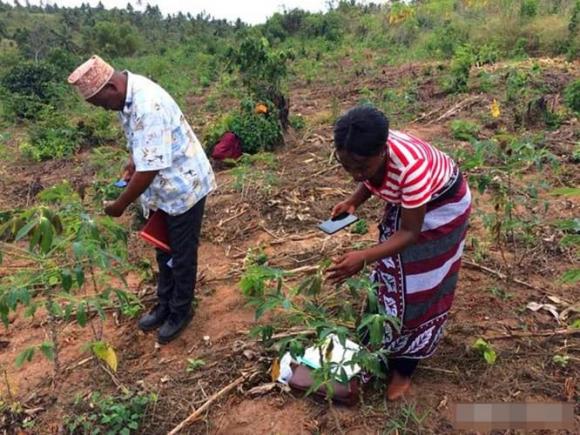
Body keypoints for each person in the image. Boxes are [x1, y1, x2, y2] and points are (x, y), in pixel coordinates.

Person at [68, 55, 216, 344]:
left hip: (183, 188)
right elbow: (145, 150)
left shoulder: (148, 105)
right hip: (162, 192)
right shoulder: (127, 98)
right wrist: (133, 161)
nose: (103, 109)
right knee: (164, 249)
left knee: (181, 254)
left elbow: (151, 168)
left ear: (111, 87)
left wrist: (120, 204)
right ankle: (164, 305)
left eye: (100, 103)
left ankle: (180, 311)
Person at [326, 105, 471, 400]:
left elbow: (410, 233)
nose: (355, 175)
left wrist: (363, 256)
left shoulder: (411, 169)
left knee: (420, 288)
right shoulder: (368, 151)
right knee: (388, 280)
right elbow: (370, 177)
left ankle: (404, 369)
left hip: (442, 208)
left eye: (361, 167)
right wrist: (354, 201)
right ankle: (380, 348)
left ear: (382, 151)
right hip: (410, 206)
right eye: (347, 167)